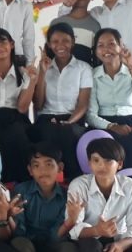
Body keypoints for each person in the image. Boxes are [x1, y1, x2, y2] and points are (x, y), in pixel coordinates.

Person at [89, 28, 132, 194]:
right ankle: (109, 191)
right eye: (101, 45)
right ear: (96, 51)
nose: (106, 49)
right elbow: (90, 115)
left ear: (121, 46)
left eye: (111, 44)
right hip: (104, 124)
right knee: (106, 147)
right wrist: (112, 126)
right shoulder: (93, 75)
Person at [0, 28, 37, 183]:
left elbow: (22, 108)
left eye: (3, 42)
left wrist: (32, 81)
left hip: (14, 116)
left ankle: (18, 184)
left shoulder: (23, 73)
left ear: (12, 44)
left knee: (17, 135)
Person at [32, 23, 92, 180]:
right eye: (55, 41)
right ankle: (46, 180)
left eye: (65, 40)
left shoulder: (83, 68)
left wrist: (69, 121)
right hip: (47, 118)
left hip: (73, 119)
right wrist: (42, 73)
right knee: (47, 131)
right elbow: (38, 104)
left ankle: (73, 180)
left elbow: (83, 104)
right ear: (49, 44)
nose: (60, 45)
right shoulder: (43, 67)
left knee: (68, 132)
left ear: (73, 41)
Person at [50, 0, 101, 66]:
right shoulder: (57, 23)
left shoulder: (95, 25)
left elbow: (97, 58)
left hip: (85, 73)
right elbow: (50, 54)